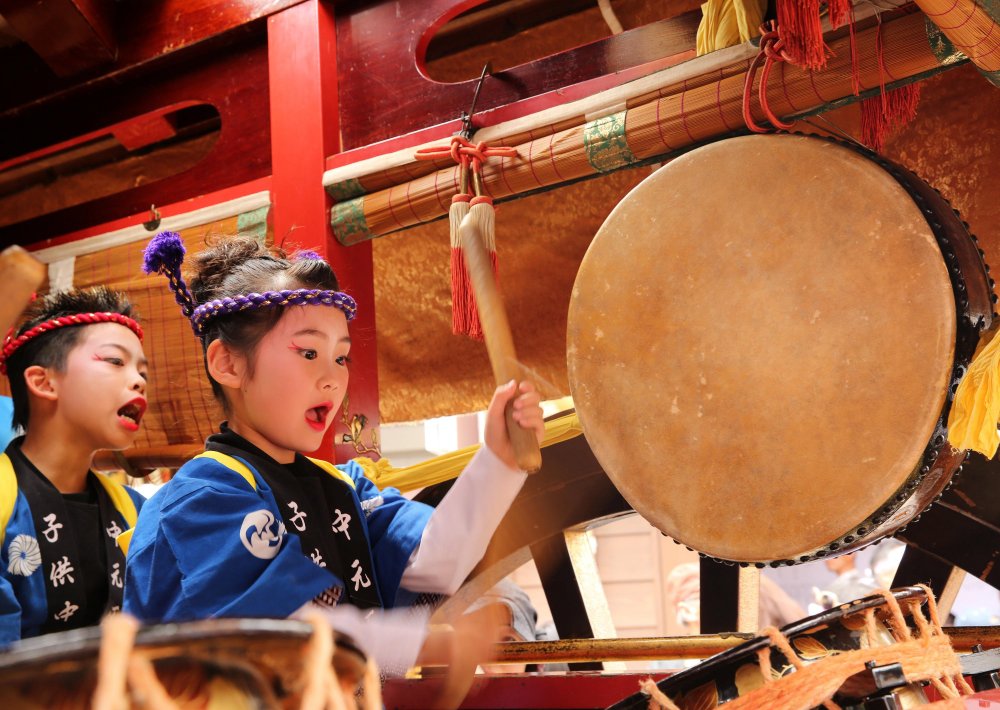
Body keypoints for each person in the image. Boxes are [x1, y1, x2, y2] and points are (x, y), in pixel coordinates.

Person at [125, 233, 544, 674]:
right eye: (308, 352)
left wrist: (499, 460)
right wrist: (436, 645)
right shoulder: (202, 498)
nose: (332, 378)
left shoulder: (344, 486)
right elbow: (290, 630)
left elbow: (431, 562)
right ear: (227, 364)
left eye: (340, 357)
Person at [0, 287, 147, 643]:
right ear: (43, 381)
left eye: (143, 371)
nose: (139, 380)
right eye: (115, 361)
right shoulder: (5, 503)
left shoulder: (136, 511)